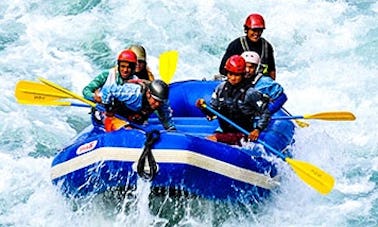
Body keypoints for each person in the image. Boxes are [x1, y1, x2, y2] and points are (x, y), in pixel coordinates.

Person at [197, 55, 271, 146]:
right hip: (225, 131)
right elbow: (213, 112)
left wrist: (257, 129)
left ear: (243, 74)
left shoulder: (250, 93)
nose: (232, 78)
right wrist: (203, 107)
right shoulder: (220, 89)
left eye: (236, 75)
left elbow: (265, 112)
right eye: (230, 74)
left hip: (243, 134)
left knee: (212, 139)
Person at [101, 79, 176, 132]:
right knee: (126, 129)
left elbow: (167, 120)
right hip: (114, 112)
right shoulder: (133, 94)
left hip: (132, 116)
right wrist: (108, 107)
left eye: (160, 101)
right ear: (148, 93)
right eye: (155, 100)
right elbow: (107, 90)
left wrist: (171, 130)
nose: (157, 104)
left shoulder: (162, 102)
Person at [219, 13, 276, 80]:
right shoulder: (236, 45)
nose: (257, 34)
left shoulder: (267, 47)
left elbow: (271, 70)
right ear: (246, 29)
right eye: (254, 30)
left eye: (260, 30)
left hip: (259, 83)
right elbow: (223, 69)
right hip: (239, 82)